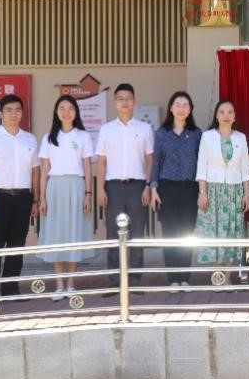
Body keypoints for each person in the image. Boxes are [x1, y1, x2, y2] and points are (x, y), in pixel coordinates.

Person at [0, 94, 40, 298]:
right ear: (1, 113)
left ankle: (11, 288)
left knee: (16, 246)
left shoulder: (30, 139)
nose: (14, 114)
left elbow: (35, 172)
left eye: (18, 110)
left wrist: (36, 200)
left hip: (23, 199)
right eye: (9, 110)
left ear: (22, 113)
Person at [96, 83, 154, 290]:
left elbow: (150, 161)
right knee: (113, 235)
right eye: (120, 98)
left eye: (128, 98)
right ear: (114, 103)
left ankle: (135, 281)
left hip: (137, 187)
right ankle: (115, 281)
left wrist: (147, 186)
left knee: (137, 234)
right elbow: (101, 162)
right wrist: (100, 189)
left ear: (134, 101)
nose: (124, 102)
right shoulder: (106, 130)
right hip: (113, 188)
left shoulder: (145, 129)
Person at [38, 95, 95, 301]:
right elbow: (44, 170)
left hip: (76, 186)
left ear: (76, 112)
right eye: (61, 108)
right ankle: (59, 284)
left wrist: (88, 194)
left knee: (73, 233)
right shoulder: (48, 138)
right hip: (54, 187)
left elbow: (87, 168)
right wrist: (42, 198)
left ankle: (71, 283)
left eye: (70, 108)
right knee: (56, 234)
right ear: (56, 112)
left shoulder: (83, 136)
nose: (66, 112)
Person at [195, 100, 249, 284]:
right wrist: (202, 192)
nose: (226, 115)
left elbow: (245, 168)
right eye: (222, 112)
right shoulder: (207, 137)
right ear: (217, 116)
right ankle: (216, 276)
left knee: (231, 234)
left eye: (230, 112)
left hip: (234, 192)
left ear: (235, 117)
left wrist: (246, 194)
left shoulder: (241, 138)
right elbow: (202, 166)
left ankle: (227, 277)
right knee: (214, 233)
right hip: (213, 191)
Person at [149, 91, 201, 290]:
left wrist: (202, 190)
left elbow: (201, 163)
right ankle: (173, 278)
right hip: (167, 187)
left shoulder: (197, 134)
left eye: (185, 105)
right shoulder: (161, 133)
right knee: (170, 233)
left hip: (190, 188)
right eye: (177, 104)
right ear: (171, 108)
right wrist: (153, 188)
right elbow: (156, 163)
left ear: (190, 109)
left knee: (187, 233)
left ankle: (184, 277)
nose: (181, 108)